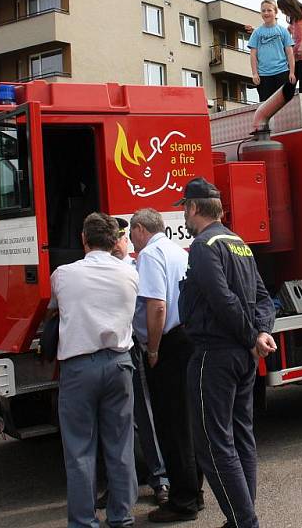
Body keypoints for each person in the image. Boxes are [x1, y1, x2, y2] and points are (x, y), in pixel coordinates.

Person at [176, 177, 278, 528]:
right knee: (241, 438)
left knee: (213, 444)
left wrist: (254, 335)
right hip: (242, 359)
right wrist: (261, 332)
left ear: (193, 208)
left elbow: (222, 299)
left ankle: (244, 522)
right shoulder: (239, 243)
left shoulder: (204, 246)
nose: (184, 218)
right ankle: (241, 518)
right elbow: (264, 298)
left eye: (184, 209)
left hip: (214, 355)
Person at [49, 212, 139, 528]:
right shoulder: (130, 273)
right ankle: (122, 517)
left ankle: (84, 521)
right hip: (119, 364)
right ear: (115, 241)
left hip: (79, 367)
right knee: (120, 446)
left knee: (79, 451)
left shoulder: (62, 274)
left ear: (83, 239)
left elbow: (56, 309)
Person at [120, 208, 205, 523]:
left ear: (140, 229)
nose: (131, 240)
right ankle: (193, 493)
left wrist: (152, 349)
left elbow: (156, 305)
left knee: (171, 426)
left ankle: (182, 501)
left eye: (131, 233)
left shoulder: (150, 255)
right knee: (186, 421)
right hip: (186, 338)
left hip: (168, 344)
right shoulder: (176, 251)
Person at [105, 217, 170, 509]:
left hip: (131, 348)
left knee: (145, 416)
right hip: (106, 351)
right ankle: (118, 488)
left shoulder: (135, 267)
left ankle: (161, 480)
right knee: (114, 423)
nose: (119, 241)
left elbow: (154, 307)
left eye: (121, 236)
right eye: (114, 237)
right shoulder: (97, 270)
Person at [248, 0, 296, 102]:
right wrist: (255, 73)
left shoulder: (283, 31)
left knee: (283, 103)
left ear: (275, 12)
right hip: (264, 75)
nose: (266, 13)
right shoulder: (257, 33)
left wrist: (292, 72)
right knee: (266, 105)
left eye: (269, 10)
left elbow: (290, 53)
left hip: (282, 72)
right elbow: (253, 55)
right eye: (263, 10)